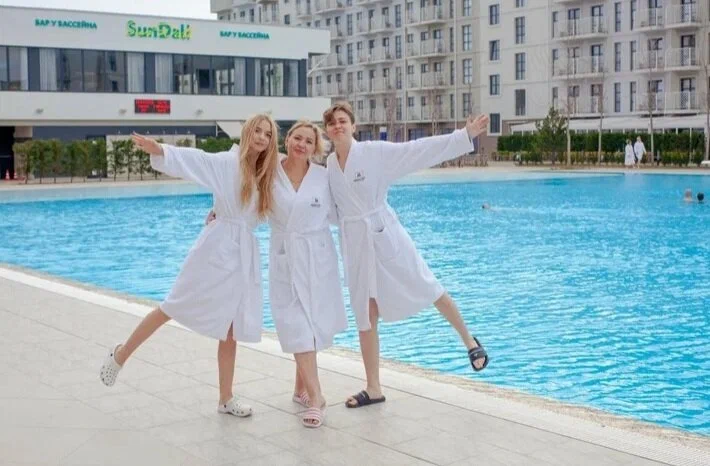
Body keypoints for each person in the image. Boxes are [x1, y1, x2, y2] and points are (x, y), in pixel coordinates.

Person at [99, 114, 280, 419]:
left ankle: (225, 398)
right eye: (258, 131)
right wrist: (161, 150)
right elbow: (196, 159)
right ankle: (121, 354)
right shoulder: (226, 162)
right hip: (215, 248)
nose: (262, 137)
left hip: (243, 254)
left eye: (268, 134)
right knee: (172, 306)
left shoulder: (267, 172)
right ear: (248, 132)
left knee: (231, 328)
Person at [323, 101, 490, 409]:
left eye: (343, 120)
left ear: (353, 126)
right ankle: (373, 388)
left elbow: (417, 150)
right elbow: (328, 209)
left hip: (385, 235)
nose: (338, 126)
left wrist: (462, 136)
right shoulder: (330, 165)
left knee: (428, 286)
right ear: (327, 131)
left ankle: (469, 341)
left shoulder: (374, 153)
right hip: (356, 245)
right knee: (366, 313)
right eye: (332, 123)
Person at [268, 120, 347, 427]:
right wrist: (219, 212)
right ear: (287, 139)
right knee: (295, 326)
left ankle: (300, 389)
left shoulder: (323, 176)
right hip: (286, 257)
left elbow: (341, 212)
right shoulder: (270, 171)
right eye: (297, 138)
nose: (302, 144)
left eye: (309, 141)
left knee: (309, 327)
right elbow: (249, 199)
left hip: (318, 258)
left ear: (316, 147)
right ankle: (317, 398)